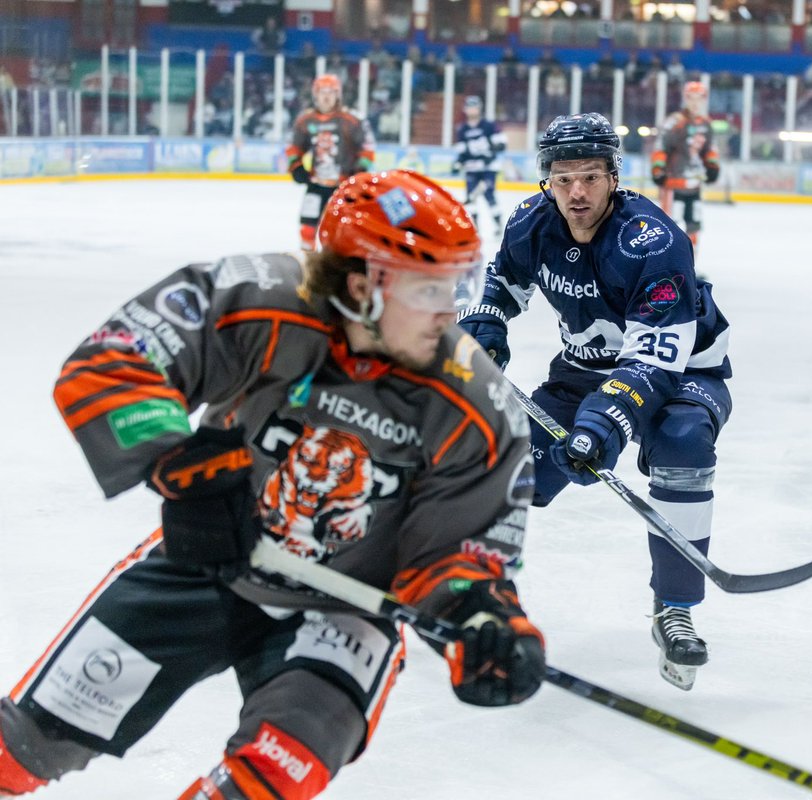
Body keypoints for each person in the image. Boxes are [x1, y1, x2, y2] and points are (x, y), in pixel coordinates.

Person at [0, 171, 544, 798]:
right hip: (208, 567)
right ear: (363, 285)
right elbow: (114, 360)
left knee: (266, 783)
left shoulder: (477, 404)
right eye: (429, 289)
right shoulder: (257, 298)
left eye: (455, 285)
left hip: (343, 610)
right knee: (25, 747)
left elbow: (457, 551)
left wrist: (483, 615)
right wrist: (184, 465)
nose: (450, 310)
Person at [457, 113, 733, 692]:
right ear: (546, 182)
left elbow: (654, 359)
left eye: (589, 176)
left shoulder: (653, 241)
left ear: (614, 176)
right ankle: (473, 591)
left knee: (682, 444)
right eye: (562, 179)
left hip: (682, 373)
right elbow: (502, 285)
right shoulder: (533, 222)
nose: (576, 192)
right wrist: (486, 325)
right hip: (584, 373)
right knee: (508, 470)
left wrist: (602, 424)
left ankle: (674, 605)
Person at [285, 74, 376, 250]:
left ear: (338, 95)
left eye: (331, 92)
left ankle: (336, 269)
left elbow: (368, 146)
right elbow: (293, 146)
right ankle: (309, 268)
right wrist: (296, 166)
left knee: (344, 230)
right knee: (307, 229)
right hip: (316, 183)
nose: (326, 97)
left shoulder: (352, 119)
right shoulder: (306, 120)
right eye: (322, 92)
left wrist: (361, 169)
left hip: (344, 186)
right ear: (315, 95)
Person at [650, 81, 720, 257]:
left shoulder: (706, 123)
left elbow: (710, 149)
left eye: (699, 98)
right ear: (685, 99)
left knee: (694, 224)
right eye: (691, 98)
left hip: (694, 184)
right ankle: (666, 263)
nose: (695, 103)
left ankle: (690, 266)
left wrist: (713, 166)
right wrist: (658, 169)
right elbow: (661, 146)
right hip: (673, 183)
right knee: (668, 225)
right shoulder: (675, 122)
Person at [451, 95, 507, 238]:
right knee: (471, 198)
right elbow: (462, 152)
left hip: (488, 168)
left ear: (479, 108)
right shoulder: (462, 129)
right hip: (472, 169)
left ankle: (499, 226)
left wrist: (490, 153)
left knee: (489, 194)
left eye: (474, 106)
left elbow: (501, 144)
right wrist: (458, 163)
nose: (472, 110)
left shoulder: (488, 125)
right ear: (465, 109)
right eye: (469, 107)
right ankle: (475, 228)